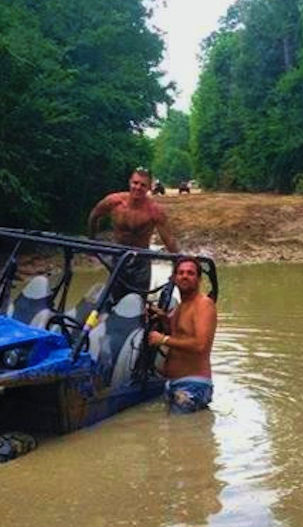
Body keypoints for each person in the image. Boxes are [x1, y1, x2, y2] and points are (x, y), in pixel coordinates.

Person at [88, 166, 179, 300]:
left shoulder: (154, 211)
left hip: (141, 260)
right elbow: (94, 216)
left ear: (149, 188)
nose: (138, 188)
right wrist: (92, 241)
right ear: (130, 182)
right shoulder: (114, 202)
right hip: (118, 256)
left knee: (138, 302)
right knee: (114, 299)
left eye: (143, 185)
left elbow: (169, 240)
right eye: (135, 183)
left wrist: (177, 265)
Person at [147, 256, 217, 414]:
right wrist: (162, 318)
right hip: (174, 384)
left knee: (180, 436)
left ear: (199, 279)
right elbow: (179, 334)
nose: (185, 276)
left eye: (190, 273)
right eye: (181, 273)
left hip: (193, 385)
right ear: (174, 278)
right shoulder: (180, 307)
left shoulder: (203, 304)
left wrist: (163, 339)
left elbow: (200, 345)